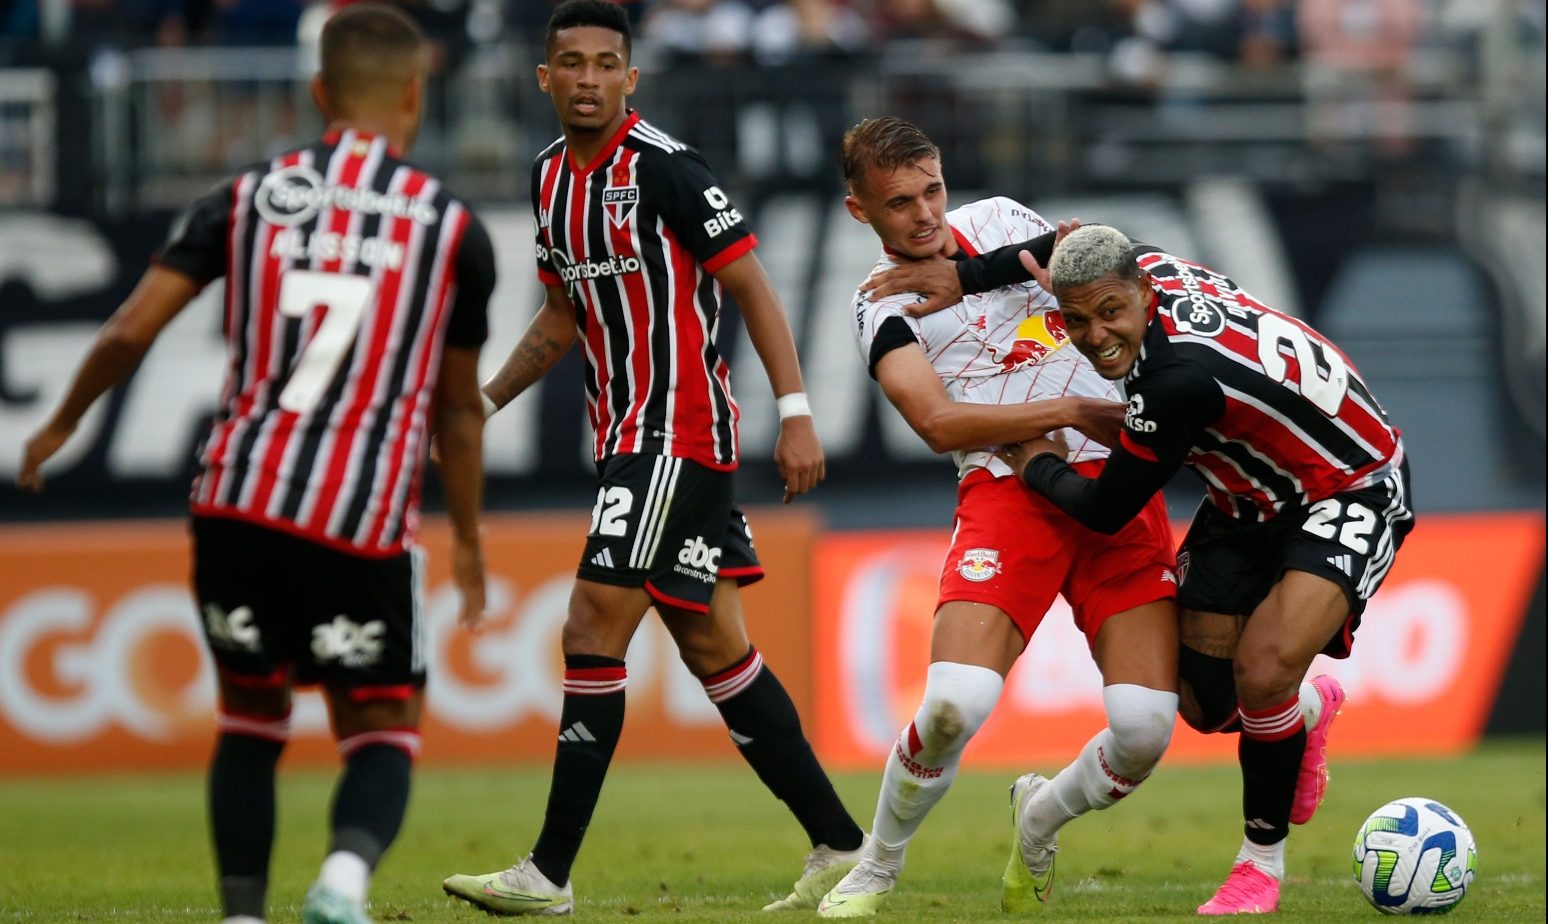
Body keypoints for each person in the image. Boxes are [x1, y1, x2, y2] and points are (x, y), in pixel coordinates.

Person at [15, 6, 493, 924]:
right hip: (359, 517)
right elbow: (457, 411)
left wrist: (60, 423)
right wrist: (467, 536)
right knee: (383, 724)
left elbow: (129, 328)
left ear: (318, 93)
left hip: (235, 498)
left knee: (249, 717)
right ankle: (342, 883)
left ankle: (241, 916)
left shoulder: (245, 197)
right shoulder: (451, 227)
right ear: (415, 94)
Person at [439, 1, 864, 915]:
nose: (588, 78)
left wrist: (795, 413)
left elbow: (750, 284)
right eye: (571, 63)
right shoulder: (552, 176)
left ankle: (547, 875)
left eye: (606, 63)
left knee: (592, 625)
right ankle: (840, 844)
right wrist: (481, 405)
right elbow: (561, 315)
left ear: (630, 77)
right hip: (625, 440)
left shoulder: (666, 169)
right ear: (543, 77)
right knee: (714, 643)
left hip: (678, 433)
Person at [915, 223, 1409, 915]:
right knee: (1204, 705)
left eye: (1111, 313)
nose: (1095, 336)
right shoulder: (1138, 264)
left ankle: (1258, 869)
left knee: (1262, 670)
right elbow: (1063, 236)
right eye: (1076, 320)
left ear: (1145, 295)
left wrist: (1035, 466)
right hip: (1249, 493)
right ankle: (1306, 712)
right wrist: (967, 276)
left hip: (1349, 481)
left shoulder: (1173, 379)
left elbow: (1105, 509)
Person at [814, 117, 1182, 919]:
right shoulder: (878, 305)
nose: (923, 214)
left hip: (1115, 488)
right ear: (859, 212)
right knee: (951, 706)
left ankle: (1041, 816)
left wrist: (986, 273)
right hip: (1008, 490)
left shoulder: (1007, 223)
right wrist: (1072, 410)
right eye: (899, 202)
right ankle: (876, 867)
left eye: (932, 190)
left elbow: (1092, 254)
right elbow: (939, 425)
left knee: (1147, 729)